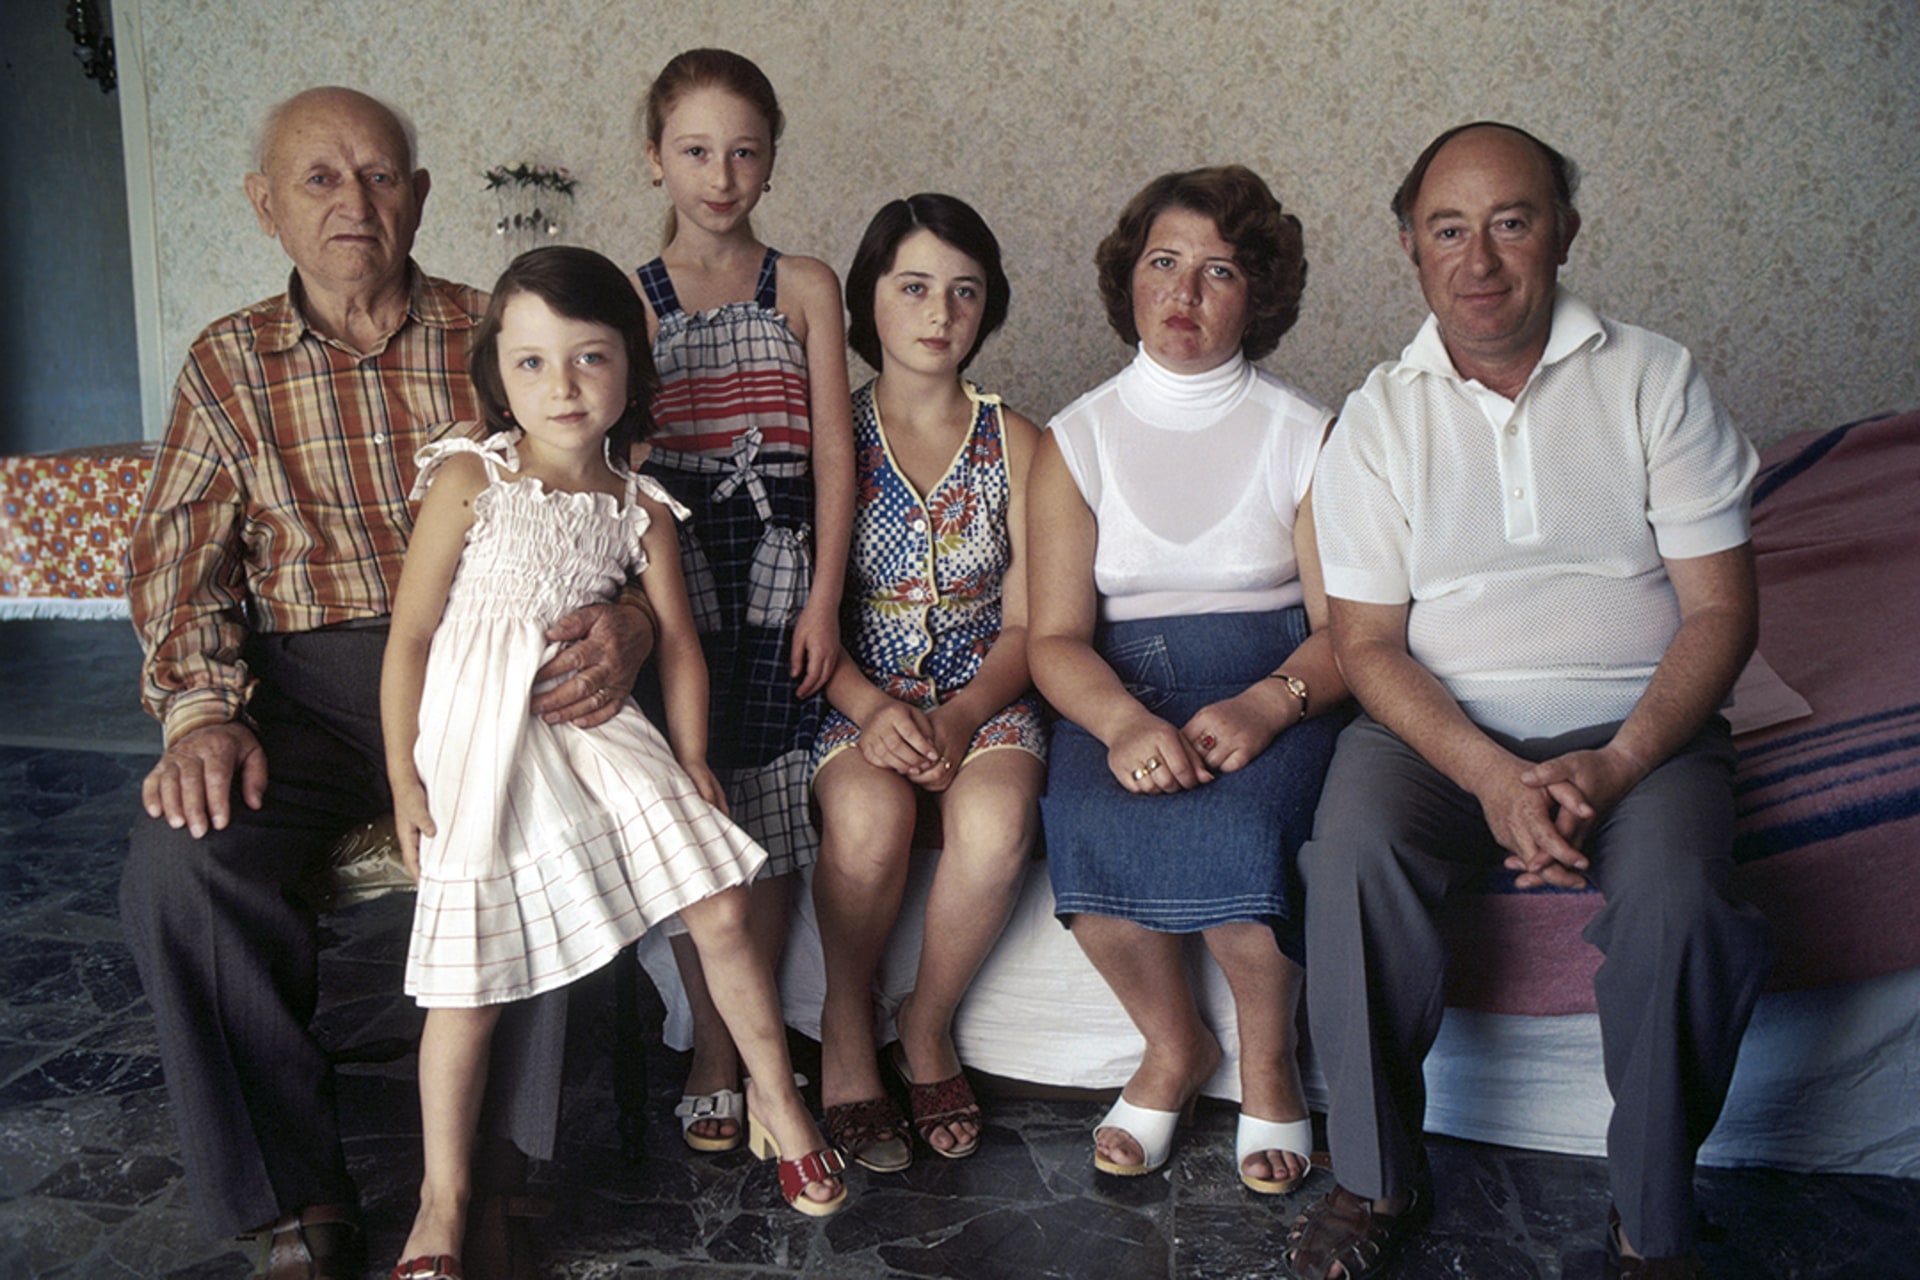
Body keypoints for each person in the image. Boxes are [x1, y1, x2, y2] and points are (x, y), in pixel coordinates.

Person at [120, 88, 652, 1276]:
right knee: (183, 860)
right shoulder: (228, 362)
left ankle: (500, 1173)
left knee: (542, 810)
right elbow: (175, 565)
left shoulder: (496, 328)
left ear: (418, 196)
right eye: (318, 177)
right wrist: (202, 707)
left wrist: (631, 620)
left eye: (378, 175)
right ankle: (291, 1194)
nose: (352, 201)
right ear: (265, 206)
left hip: (494, 665)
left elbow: (613, 492)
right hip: (301, 690)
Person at [1288, 122, 1770, 1280]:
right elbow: (1365, 643)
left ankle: (1653, 1222)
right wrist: (1496, 778)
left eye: (1512, 221)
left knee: (1682, 900)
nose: (1481, 258)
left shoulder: (1656, 378)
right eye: (1449, 229)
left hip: (1639, 727)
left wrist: (1614, 764)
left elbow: (1721, 615)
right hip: (1441, 732)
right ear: (1411, 248)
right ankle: (1374, 1176)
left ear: (1564, 233)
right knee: (1348, 855)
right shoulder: (1377, 420)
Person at [382, 246, 846, 1275]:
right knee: (468, 985)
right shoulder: (471, 476)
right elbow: (411, 638)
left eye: (590, 359)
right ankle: (441, 1197)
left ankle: (775, 1090)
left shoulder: (639, 505)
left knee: (720, 892)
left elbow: (677, 641)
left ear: (632, 370)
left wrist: (690, 756)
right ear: (497, 373)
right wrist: (406, 780)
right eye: (534, 362)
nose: (563, 386)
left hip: (591, 727)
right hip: (482, 737)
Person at [1028, 166, 1348, 1193]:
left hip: (1278, 682)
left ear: (1258, 295)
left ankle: (1269, 1063)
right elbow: (1055, 639)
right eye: (1164, 262)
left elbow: (1351, 633)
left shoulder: (1307, 431)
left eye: (1219, 272)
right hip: (1121, 690)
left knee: (1250, 851)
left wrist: (1269, 703)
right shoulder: (1076, 438)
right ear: (1130, 276)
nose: (1185, 291)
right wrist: (1121, 724)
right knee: (1087, 834)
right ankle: (1173, 1047)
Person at [629, 47, 855, 1156]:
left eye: (745, 150)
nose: (722, 175)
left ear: (771, 158)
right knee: (692, 808)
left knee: (767, 809)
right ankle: (711, 1047)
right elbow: (620, 465)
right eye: (696, 150)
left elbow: (835, 463)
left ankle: (750, 1034)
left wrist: (822, 599)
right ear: (656, 158)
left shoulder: (804, 283)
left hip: (779, 570)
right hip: (681, 578)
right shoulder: (633, 298)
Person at [809, 195, 1045, 1170]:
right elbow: (805, 606)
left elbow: (1035, 620)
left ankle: (928, 1023)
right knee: (870, 821)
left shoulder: (1020, 444)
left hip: (983, 695)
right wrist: (870, 710)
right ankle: (844, 1021)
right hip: (851, 694)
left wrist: (959, 713)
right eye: (913, 286)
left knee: (994, 826)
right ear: (871, 297)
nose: (938, 311)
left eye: (963, 291)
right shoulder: (828, 439)